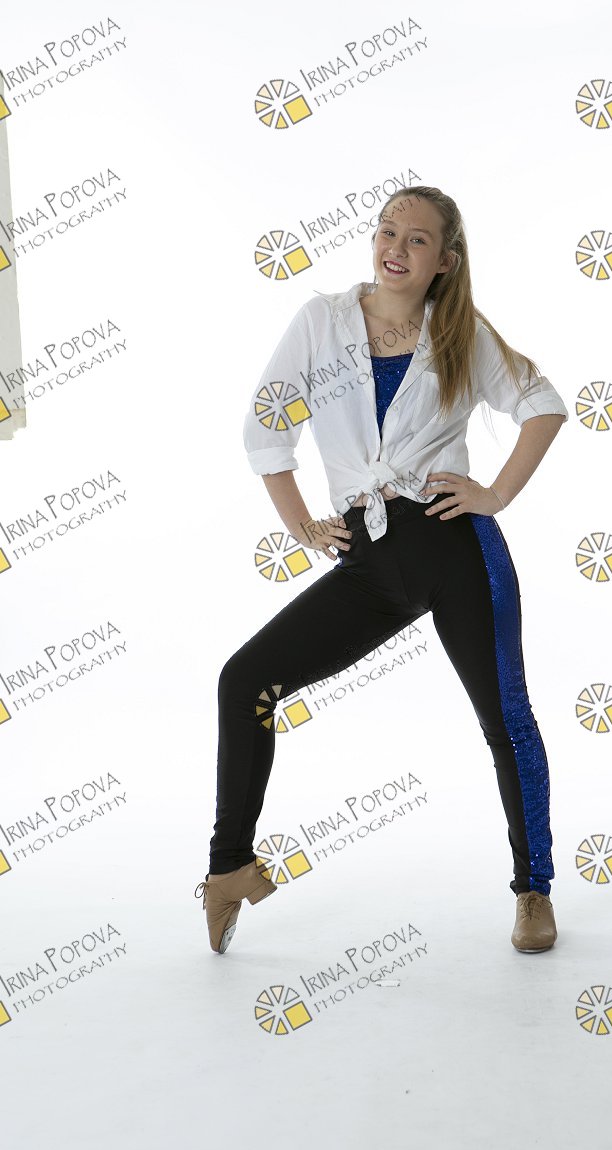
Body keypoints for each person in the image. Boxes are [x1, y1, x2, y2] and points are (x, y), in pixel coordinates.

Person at [195, 185, 569, 956]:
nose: (395, 247)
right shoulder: (322, 321)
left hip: (457, 550)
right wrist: (300, 524)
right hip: (369, 561)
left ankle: (533, 891)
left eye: (418, 239)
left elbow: (543, 405)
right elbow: (266, 426)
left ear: (445, 261)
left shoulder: (462, 332)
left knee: (506, 720)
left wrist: (496, 493)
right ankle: (228, 868)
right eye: (387, 230)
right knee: (246, 680)